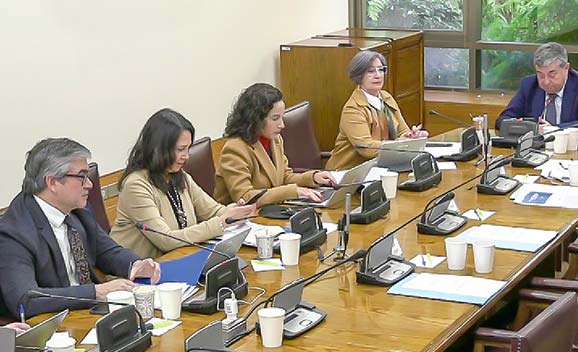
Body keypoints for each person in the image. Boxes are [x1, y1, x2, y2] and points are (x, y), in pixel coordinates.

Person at [0, 138, 160, 319]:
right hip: (54, 326)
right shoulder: (13, 233)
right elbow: (26, 300)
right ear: (52, 182)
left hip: (90, 315)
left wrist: (135, 265)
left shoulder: (77, 210)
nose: (90, 184)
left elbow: (107, 251)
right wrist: (95, 292)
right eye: (82, 176)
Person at [110, 108, 255, 259]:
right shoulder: (136, 185)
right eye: (180, 149)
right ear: (158, 149)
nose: (186, 156)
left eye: (188, 149)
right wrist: (219, 223)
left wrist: (236, 212)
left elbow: (212, 211)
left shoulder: (180, 176)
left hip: (178, 260)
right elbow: (166, 240)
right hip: (139, 274)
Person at [214, 83, 337, 205]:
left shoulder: (275, 139)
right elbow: (245, 197)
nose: (282, 125)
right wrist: (293, 191)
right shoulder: (235, 149)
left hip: (267, 212)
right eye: (275, 118)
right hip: (240, 219)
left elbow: (284, 177)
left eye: (282, 117)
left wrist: (313, 178)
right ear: (255, 119)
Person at [326, 50, 429, 171]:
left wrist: (413, 137)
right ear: (359, 76)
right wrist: (400, 143)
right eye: (371, 71)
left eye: (381, 70)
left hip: (381, 166)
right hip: (349, 172)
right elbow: (366, 148)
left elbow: (403, 131)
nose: (378, 75)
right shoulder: (353, 109)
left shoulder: (386, 97)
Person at [496, 42, 578, 136]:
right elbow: (502, 120)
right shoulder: (529, 85)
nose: (545, 81)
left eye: (552, 74)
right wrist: (526, 127)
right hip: (534, 151)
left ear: (566, 68)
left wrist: (553, 129)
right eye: (540, 75)